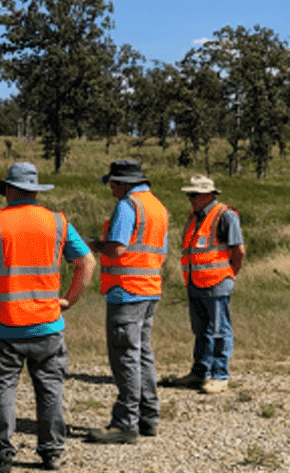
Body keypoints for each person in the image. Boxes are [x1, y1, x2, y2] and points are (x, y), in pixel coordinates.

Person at [0, 162, 96, 473]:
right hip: (48, 325)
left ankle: (1, 455)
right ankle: (50, 453)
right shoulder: (58, 222)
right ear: (35, 191)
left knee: (4, 389)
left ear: (8, 190)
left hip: (5, 325)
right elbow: (87, 261)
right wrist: (69, 299)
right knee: (50, 389)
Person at [86, 159, 168, 445]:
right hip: (149, 289)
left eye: (112, 183)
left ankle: (125, 423)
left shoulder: (127, 206)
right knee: (142, 354)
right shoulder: (157, 206)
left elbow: (118, 249)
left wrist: (96, 245)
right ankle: (149, 417)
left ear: (123, 183)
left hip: (126, 290)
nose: (110, 188)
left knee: (125, 358)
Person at [175, 175, 245, 394]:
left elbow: (238, 250)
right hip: (195, 282)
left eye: (194, 194)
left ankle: (220, 375)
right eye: (189, 194)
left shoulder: (226, 215)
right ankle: (200, 372)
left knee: (219, 330)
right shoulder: (194, 217)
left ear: (208, 194)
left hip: (217, 282)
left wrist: (230, 274)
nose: (190, 198)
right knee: (201, 330)